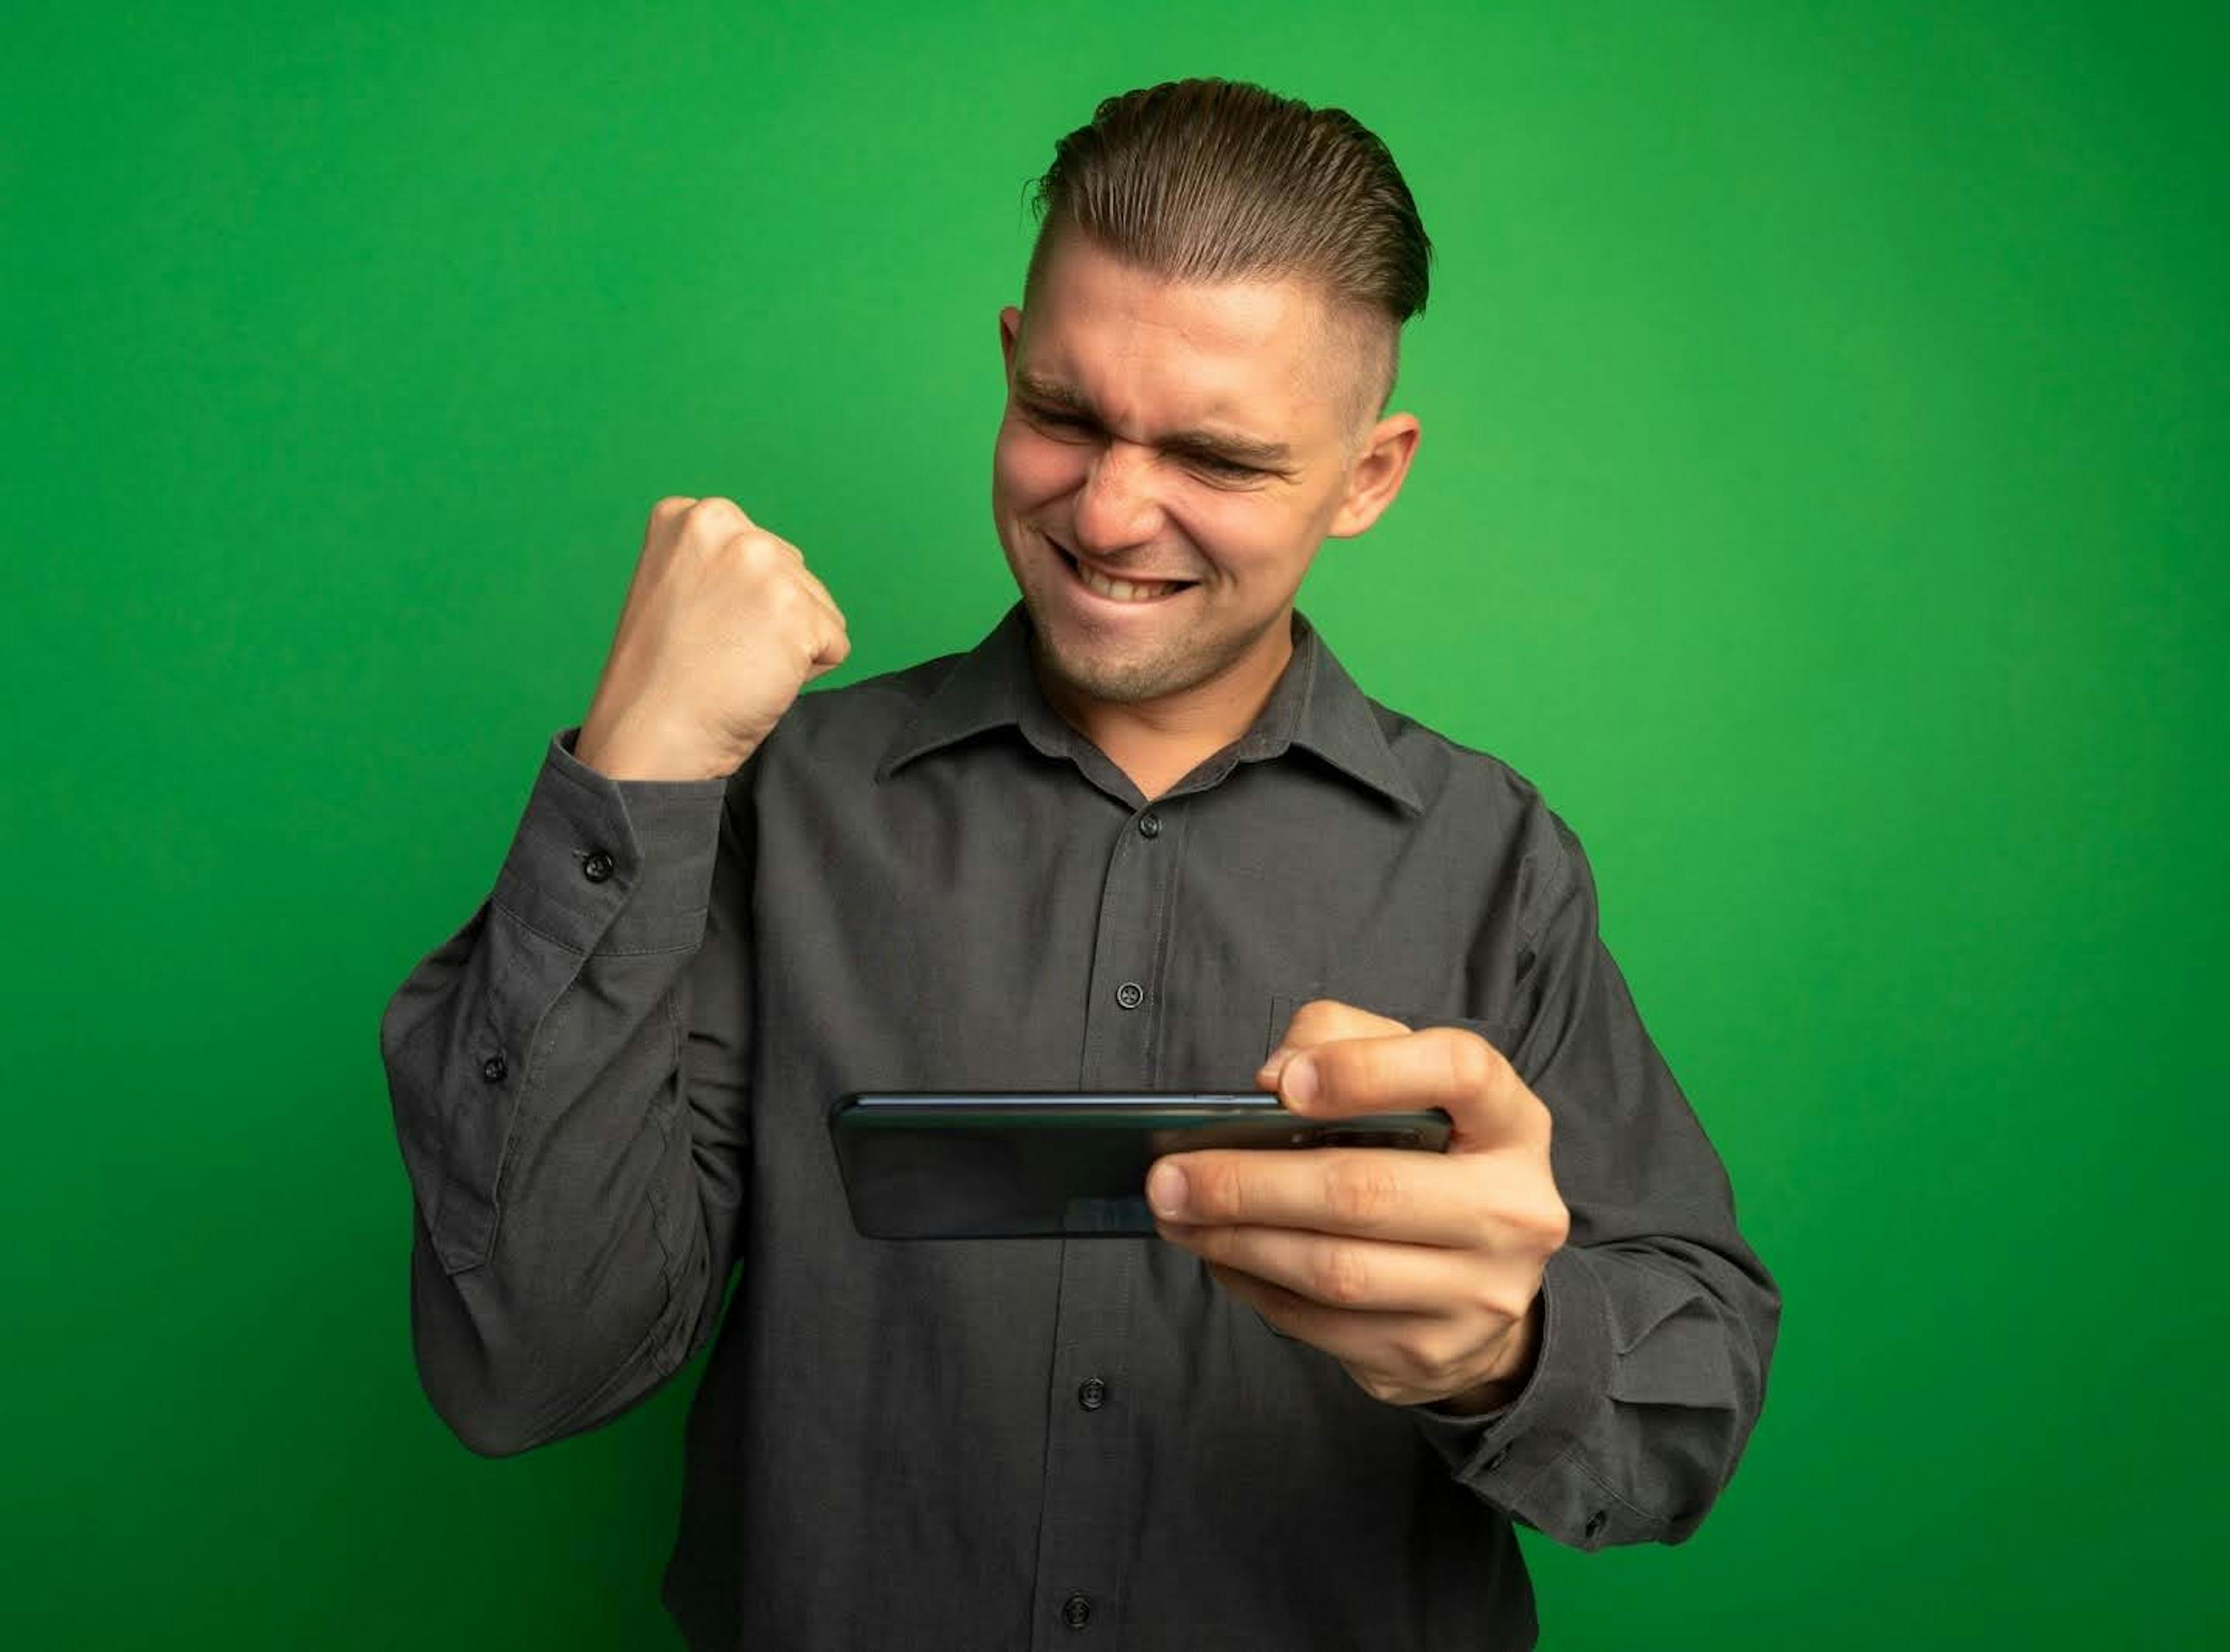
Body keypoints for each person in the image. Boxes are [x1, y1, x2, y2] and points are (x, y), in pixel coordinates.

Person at [379, 76, 1779, 1652]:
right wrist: (629, 767)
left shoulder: (1494, 858)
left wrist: (1508, 1348)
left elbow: (1687, 1420)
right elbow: (526, 1366)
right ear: (1006, 361)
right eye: (1063, 414)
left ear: (1369, 475)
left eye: (1222, 458)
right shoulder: (780, 808)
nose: (1110, 513)